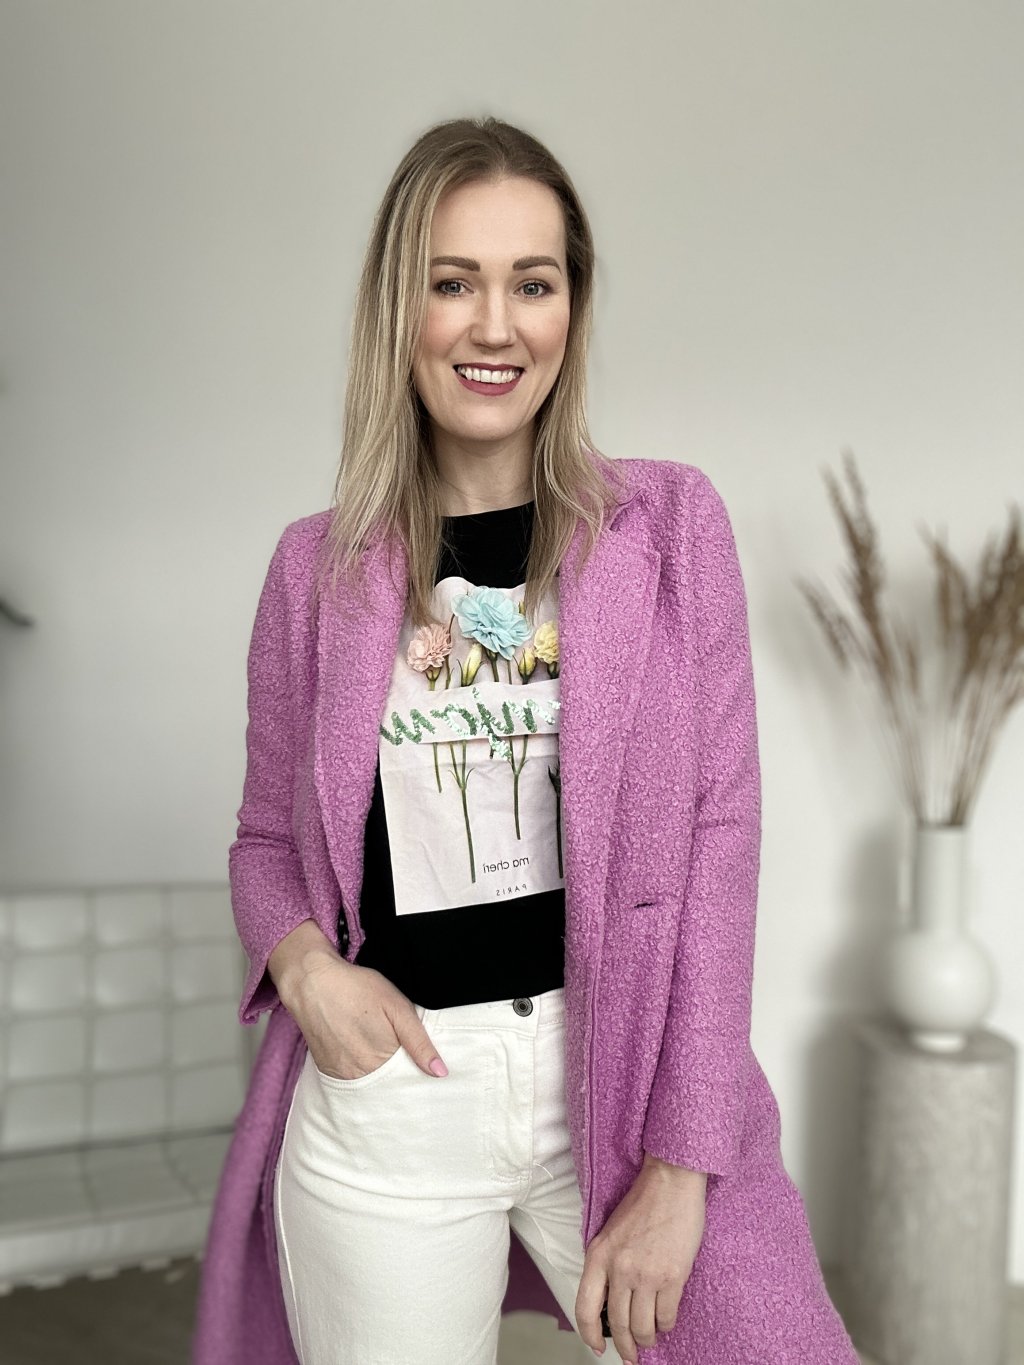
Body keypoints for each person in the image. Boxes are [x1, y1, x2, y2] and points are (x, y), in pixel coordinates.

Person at [192, 117, 861, 1365]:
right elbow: (264, 842)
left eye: (532, 284)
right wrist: (307, 971)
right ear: (399, 309)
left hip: (619, 1081)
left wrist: (682, 1165)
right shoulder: (314, 572)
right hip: (394, 1102)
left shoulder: (669, 528)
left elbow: (721, 843)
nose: (494, 327)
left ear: (572, 308)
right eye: (453, 282)